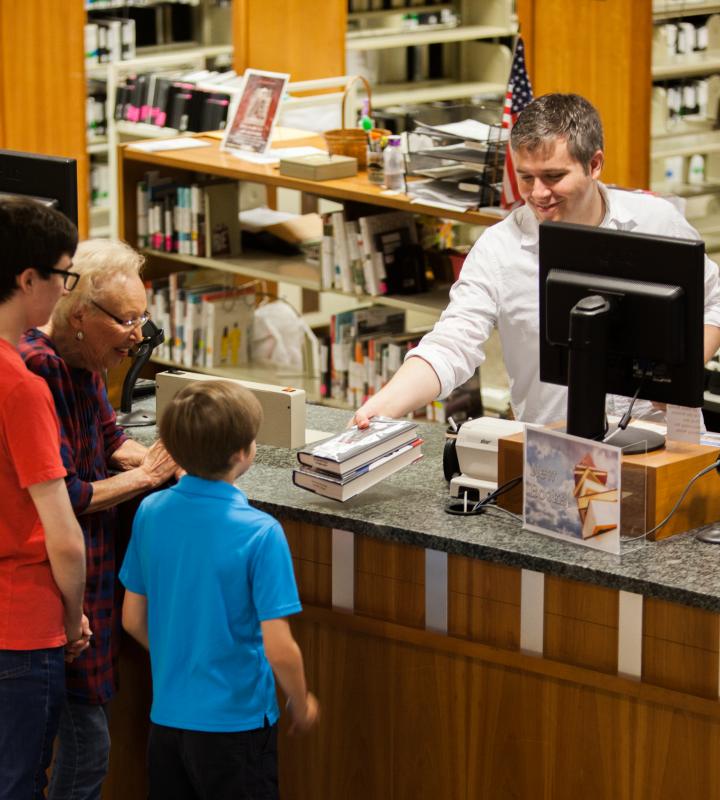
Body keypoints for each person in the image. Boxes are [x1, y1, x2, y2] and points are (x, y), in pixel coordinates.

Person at [354, 93, 720, 427]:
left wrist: (679, 373)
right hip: (556, 453)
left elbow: (714, 301)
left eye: (553, 176)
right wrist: (384, 404)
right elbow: (452, 344)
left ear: (594, 164)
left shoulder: (656, 220)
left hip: (665, 443)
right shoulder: (498, 249)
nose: (538, 194)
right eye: (526, 178)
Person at [20, 238, 178, 800]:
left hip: (89, 580)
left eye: (143, 317)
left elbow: (108, 435)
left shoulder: (85, 358)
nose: (139, 336)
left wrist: (160, 456)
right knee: (81, 750)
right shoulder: (39, 373)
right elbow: (66, 493)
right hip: (53, 589)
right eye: (128, 320)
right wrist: (146, 478)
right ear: (81, 315)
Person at [120, 380, 319, 800]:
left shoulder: (151, 511)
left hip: (168, 722)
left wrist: (184, 657)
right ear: (244, 452)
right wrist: (301, 703)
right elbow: (279, 647)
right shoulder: (261, 533)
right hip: (237, 727)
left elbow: (132, 619)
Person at [0, 197, 90, 800]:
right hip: (22, 631)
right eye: (63, 275)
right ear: (28, 279)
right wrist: (72, 616)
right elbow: (63, 536)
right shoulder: (22, 387)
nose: (65, 291)